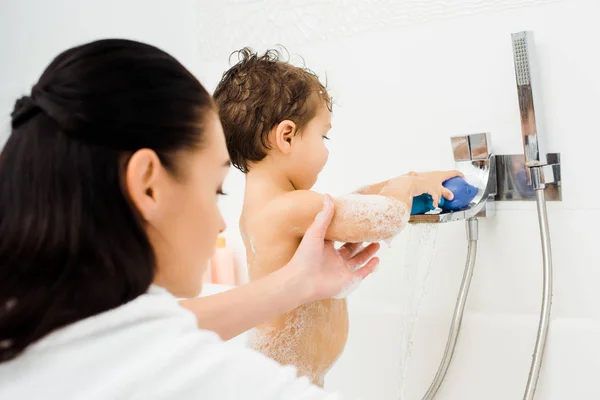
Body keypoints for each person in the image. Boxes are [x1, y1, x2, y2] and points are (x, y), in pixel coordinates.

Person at [0, 39, 380, 399]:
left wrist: (296, 284)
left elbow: (146, 328)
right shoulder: (200, 378)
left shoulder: (33, 322)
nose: (219, 223)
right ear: (148, 185)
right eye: (216, 190)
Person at [213, 48, 461, 385]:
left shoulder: (278, 206)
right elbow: (385, 218)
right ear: (286, 136)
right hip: (282, 383)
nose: (326, 147)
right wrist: (408, 184)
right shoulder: (290, 208)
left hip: (286, 377)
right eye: (323, 135)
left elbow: (349, 205)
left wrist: (405, 181)